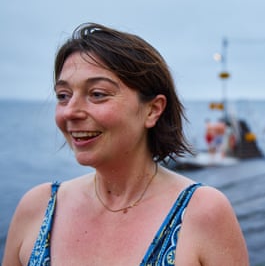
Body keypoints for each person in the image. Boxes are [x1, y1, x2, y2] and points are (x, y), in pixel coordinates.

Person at [2, 23, 249, 266]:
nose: (70, 112)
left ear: (152, 110)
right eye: (63, 96)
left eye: (97, 94)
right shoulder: (39, 206)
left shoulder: (202, 212)